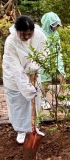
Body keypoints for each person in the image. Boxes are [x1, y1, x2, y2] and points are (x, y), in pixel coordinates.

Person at [2, 15, 46, 144]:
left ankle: (34, 127)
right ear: (17, 30)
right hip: (14, 78)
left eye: (29, 34)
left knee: (34, 102)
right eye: (24, 34)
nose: (27, 37)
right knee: (19, 104)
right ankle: (21, 130)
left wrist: (35, 66)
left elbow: (45, 52)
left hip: (34, 75)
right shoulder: (11, 42)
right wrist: (26, 87)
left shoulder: (39, 36)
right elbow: (15, 68)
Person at [40, 12, 66, 110]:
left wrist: (59, 57)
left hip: (56, 57)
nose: (56, 27)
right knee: (45, 80)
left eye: (57, 25)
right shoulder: (41, 34)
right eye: (54, 25)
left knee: (63, 77)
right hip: (45, 59)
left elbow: (58, 46)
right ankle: (44, 99)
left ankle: (62, 98)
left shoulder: (56, 34)